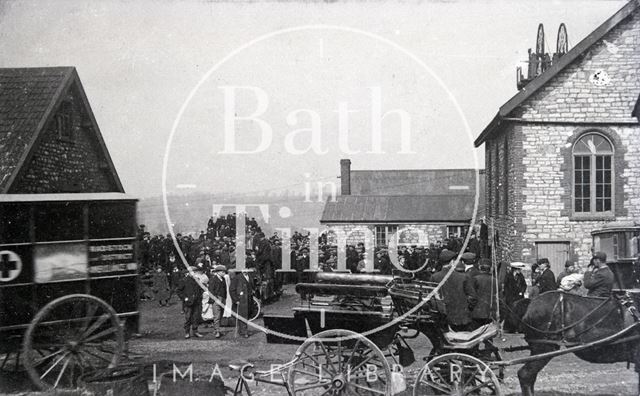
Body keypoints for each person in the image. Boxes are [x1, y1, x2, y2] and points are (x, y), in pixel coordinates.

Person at [431, 250, 476, 331]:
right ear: (452, 262)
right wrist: (466, 308)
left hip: (443, 317)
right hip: (461, 317)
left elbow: (432, 297)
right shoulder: (463, 277)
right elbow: (473, 297)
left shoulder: (434, 277)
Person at [176, 267, 204, 339]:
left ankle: (195, 331)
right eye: (193, 272)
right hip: (188, 303)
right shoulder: (184, 280)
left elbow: (200, 289)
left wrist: (200, 295)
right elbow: (178, 291)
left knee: (196, 317)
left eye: (195, 272)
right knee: (188, 318)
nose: (194, 273)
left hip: (196, 302)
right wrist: (184, 298)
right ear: (189, 273)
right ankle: (187, 332)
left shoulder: (197, 280)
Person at [471, 261, 497, 328]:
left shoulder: (475, 279)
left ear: (480, 268)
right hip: (490, 312)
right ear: (490, 269)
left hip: (476, 311)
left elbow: (471, 295)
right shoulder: (495, 281)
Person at [230, 268, 254, 338]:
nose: (246, 270)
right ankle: (243, 331)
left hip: (249, 299)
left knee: (247, 315)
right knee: (243, 315)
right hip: (241, 299)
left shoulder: (249, 276)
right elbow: (232, 289)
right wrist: (235, 299)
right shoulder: (237, 278)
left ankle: (243, 330)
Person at [208, 265, 228, 338]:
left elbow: (225, 290)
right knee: (217, 316)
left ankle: (216, 329)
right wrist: (216, 299)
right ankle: (217, 331)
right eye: (222, 272)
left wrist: (225, 299)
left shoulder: (223, 279)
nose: (224, 273)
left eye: (224, 272)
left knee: (221, 315)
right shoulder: (213, 279)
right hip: (216, 299)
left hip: (223, 299)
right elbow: (211, 290)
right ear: (218, 272)